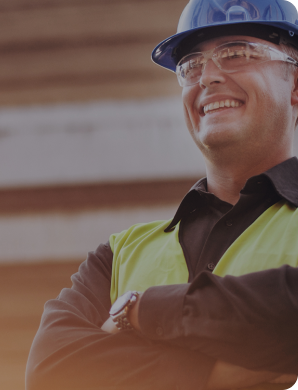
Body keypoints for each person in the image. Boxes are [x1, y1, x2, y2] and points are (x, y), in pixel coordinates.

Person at [26, 1, 298, 389]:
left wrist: (142, 310)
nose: (208, 77)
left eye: (236, 54)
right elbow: (51, 371)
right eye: (191, 65)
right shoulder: (118, 255)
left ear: (296, 86)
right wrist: (212, 376)